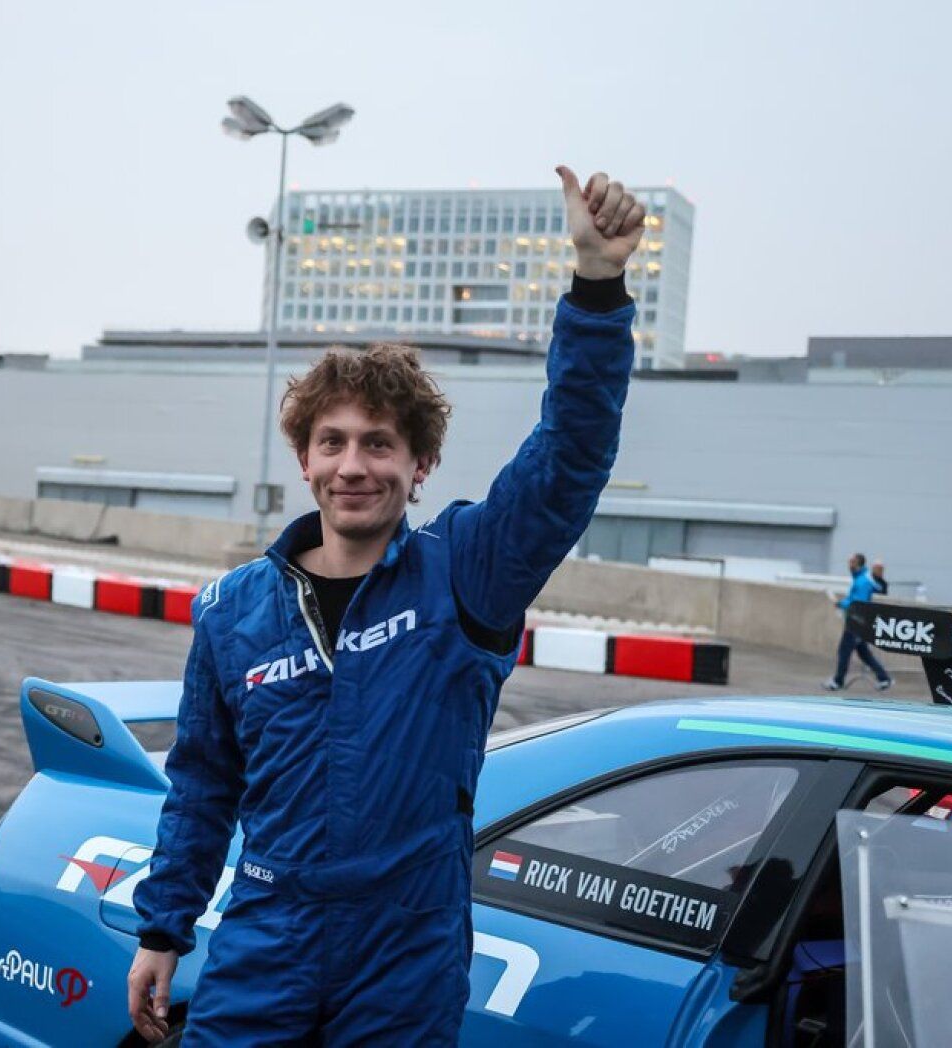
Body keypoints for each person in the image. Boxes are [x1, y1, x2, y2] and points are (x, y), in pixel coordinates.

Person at [127, 166, 644, 1045]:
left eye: (379, 444)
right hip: (265, 940)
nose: (353, 466)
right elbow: (204, 785)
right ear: (304, 460)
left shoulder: (466, 574)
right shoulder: (233, 612)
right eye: (331, 442)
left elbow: (568, 461)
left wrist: (597, 287)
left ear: (420, 465)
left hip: (406, 955)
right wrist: (162, 927)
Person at [824, 552, 892, 692]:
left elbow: (858, 602)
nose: (849, 564)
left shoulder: (862, 581)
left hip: (857, 622)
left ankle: (838, 682)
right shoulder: (861, 578)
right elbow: (853, 599)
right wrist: (842, 603)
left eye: (852, 562)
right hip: (858, 622)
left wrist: (841, 604)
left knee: (844, 651)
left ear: (859, 564)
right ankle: (884, 678)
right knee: (863, 653)